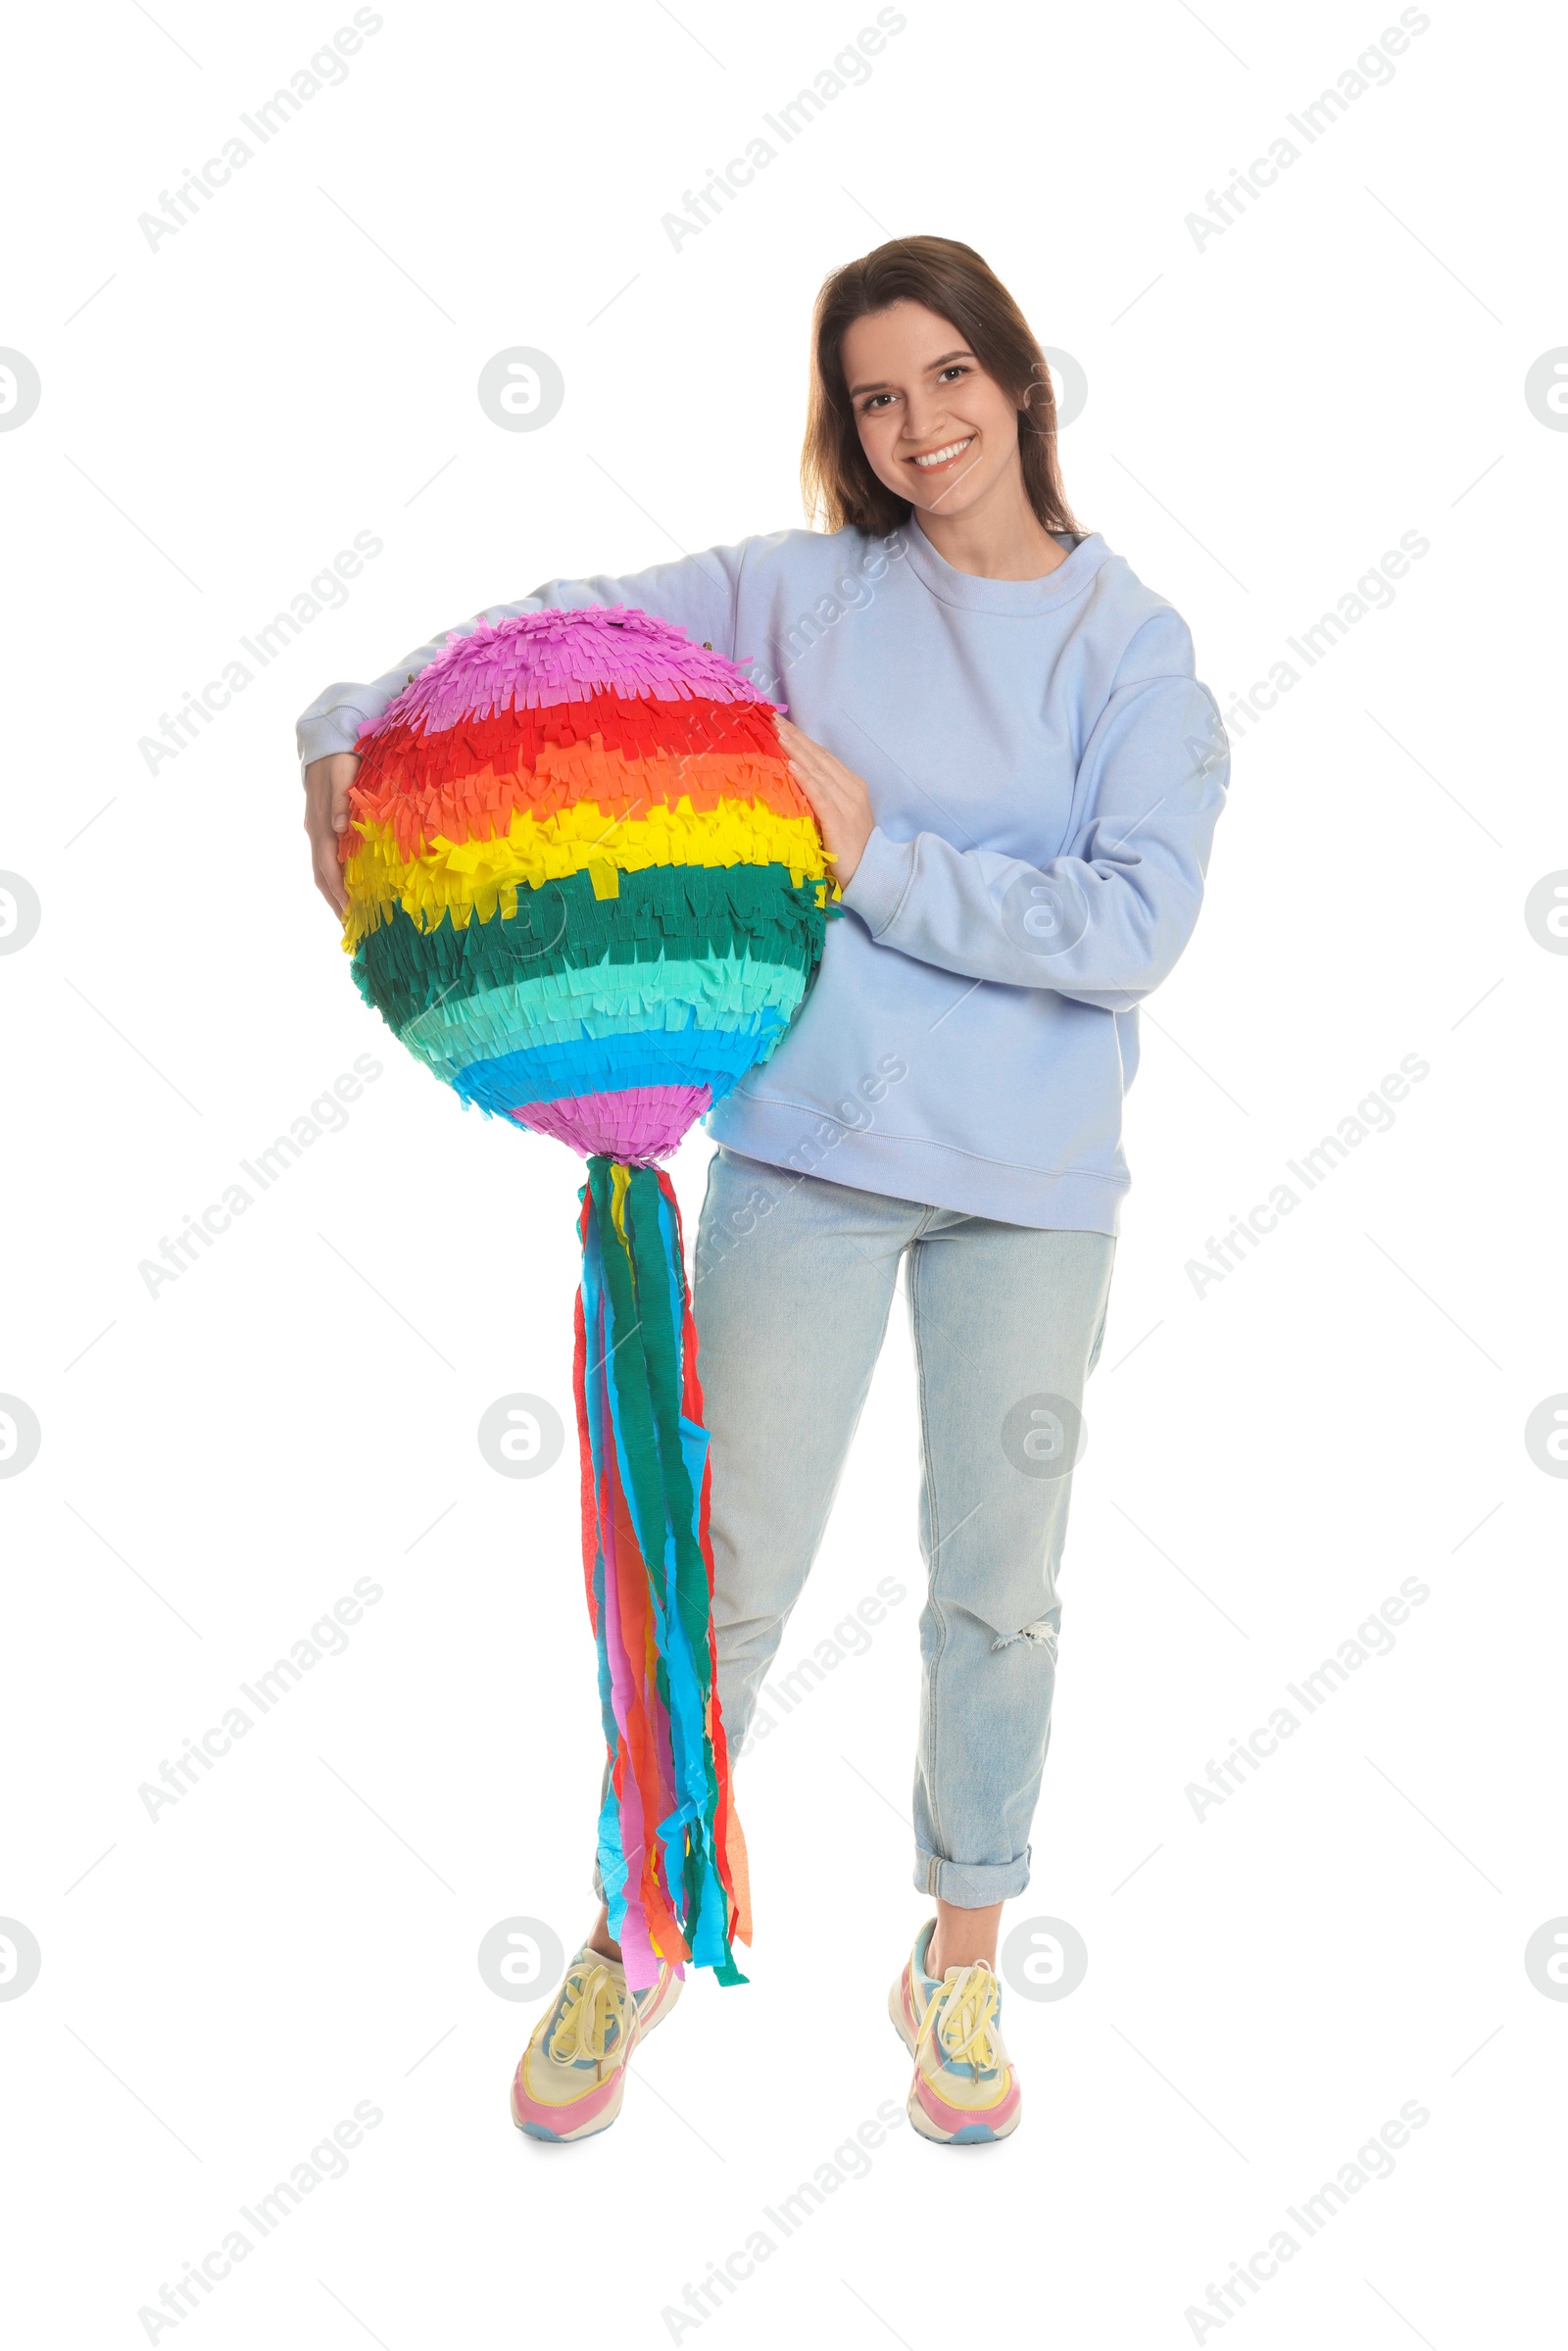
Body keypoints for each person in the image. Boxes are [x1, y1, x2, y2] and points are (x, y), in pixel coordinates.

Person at [299, 235, 1229, 2147]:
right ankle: (639, 1927)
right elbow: (557, 633)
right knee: (717, 1576)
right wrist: (347, 725)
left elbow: (1128, 928)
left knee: (999, 1596)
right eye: (873, 397)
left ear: (1016, 376)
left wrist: (878, 857)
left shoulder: (1131, 649)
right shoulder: (794, 598)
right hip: (804, 1155)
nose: (914, 428)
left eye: (944, 379)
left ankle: (956, 1959)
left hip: (1030, 1191)